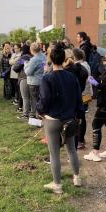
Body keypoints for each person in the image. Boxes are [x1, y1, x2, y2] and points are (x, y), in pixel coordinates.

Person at [37, 42, 84, 194]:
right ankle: (77, 177)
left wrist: (40, 111)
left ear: (50, 58)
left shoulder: (47, 78)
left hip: (53, 120)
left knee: (54, 153)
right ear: (64, 58)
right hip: (70, 118)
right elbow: (78, 98)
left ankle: (57, 185)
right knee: (72, 149)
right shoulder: (71, 76)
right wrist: (79, 115)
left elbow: (44, 100)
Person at [73, 48, 93, 149]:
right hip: (87, 93)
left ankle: (80, 140)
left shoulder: (79, 66)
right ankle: (81, 138)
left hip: (83, 94)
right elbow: (90, 79)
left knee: (81, 117)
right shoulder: (86, 64)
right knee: (82, 115)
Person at [24, 42, 46, 118]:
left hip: (34, 82)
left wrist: (26, 64)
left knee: (34, 101)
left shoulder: (34, 59)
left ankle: (37, 117)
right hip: (42, 80)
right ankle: (39, 116)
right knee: (40, 100)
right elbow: (44, 67)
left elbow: (28, 72)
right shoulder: (44, 56)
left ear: (31, 50)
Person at [13, 44, 32, 119]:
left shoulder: (24, 57)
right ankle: (32, 112)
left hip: (23, 77)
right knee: (31, 97)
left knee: (25, 97)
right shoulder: (33, 57)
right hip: (32, 78)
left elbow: (15, 67)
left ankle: (25, 114)